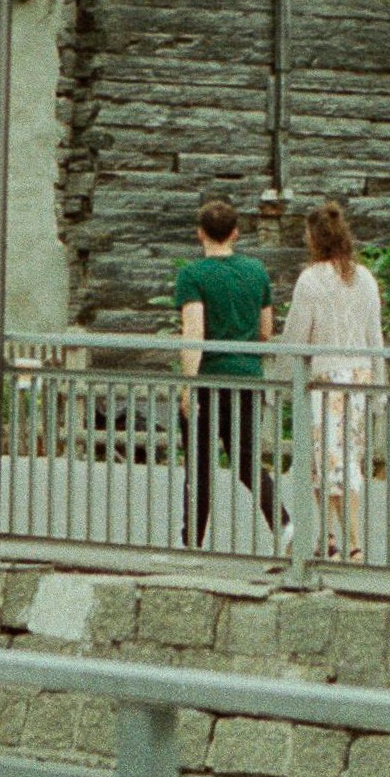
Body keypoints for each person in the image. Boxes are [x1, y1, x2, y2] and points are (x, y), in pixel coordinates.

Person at [173, 197, 288, 554]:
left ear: (200, 234)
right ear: (236, 234)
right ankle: (284, 525)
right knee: (246, 460)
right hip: (248, 378)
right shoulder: (256, 272)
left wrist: (188, 386)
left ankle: (193, 539)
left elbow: (194, 333)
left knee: (200, 465)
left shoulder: (193, 275)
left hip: (209, 379)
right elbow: (266, 330)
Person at [279, 200, 386, 562]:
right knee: (340, 459)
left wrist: (279, 379)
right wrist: (379, 389)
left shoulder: (311, 280)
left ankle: (343, 540)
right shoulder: (365, 279)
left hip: (325, 378)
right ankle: (338, 538)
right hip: (358, 377)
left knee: (326, 460)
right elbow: (376, 337)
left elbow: (296, 336)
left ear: (313, 238)